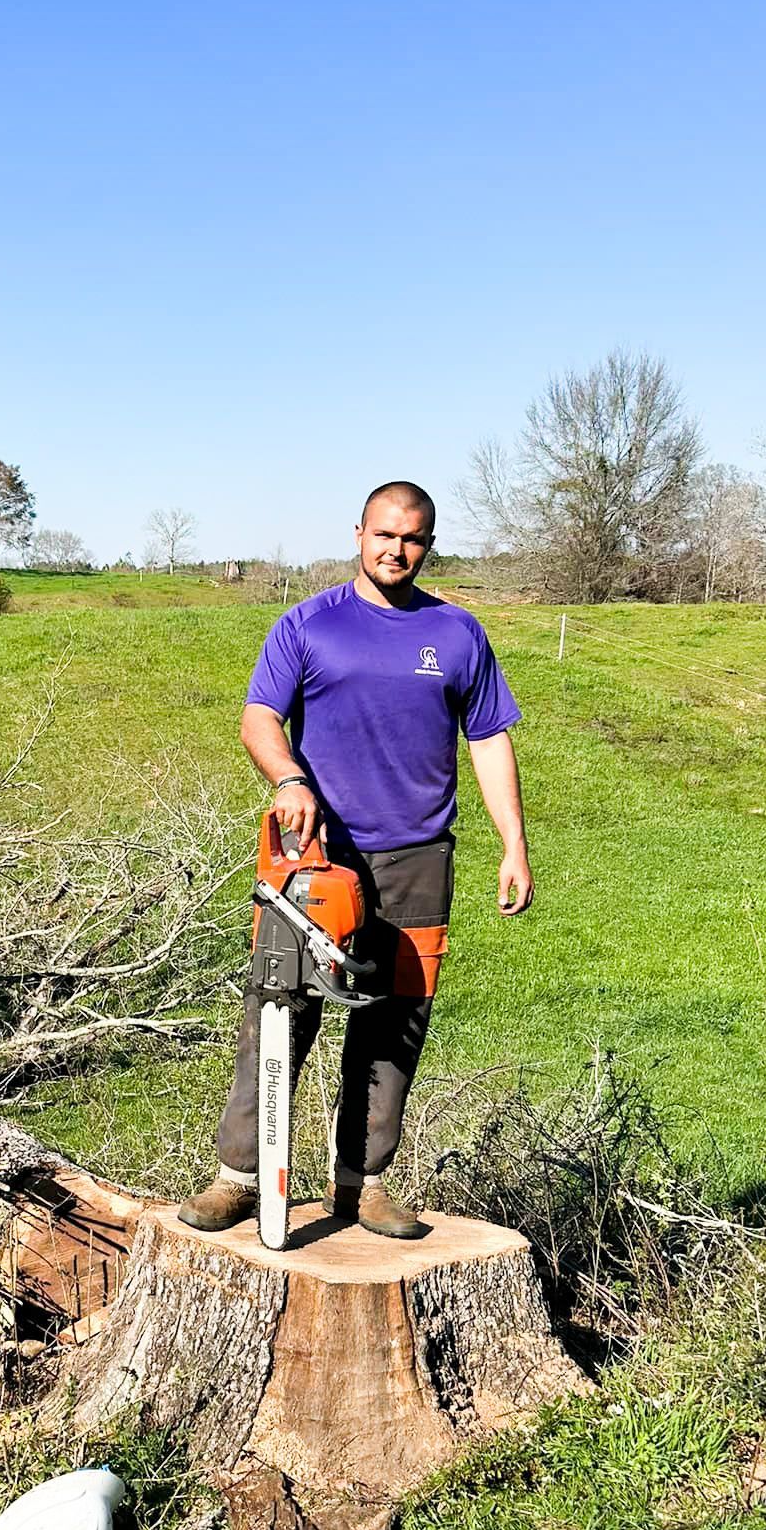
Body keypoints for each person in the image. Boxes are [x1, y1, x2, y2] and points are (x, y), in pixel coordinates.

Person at [178, 481, 533, 1238]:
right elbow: (258, 718)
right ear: (358, 533)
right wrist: (289, 779)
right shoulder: (308, 625)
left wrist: (515, 844)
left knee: (394, 1023)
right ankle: (240, 1176)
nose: (394, 549)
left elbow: (490, 738)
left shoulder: (459, 633)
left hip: (418, 860)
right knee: (279, 1010)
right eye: (383, 535)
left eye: (411, 539)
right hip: (313, 858)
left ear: (427, 544)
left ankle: (362, 1185)